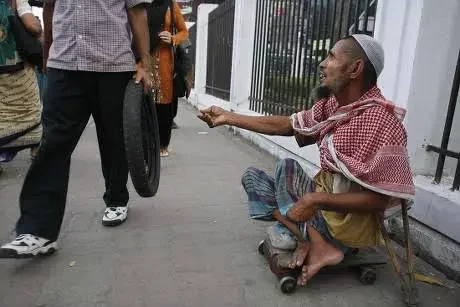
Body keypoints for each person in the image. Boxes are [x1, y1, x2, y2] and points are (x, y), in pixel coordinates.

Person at [198, 34, 415, 286]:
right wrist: (229, 116)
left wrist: (315, 198)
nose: (323, 63)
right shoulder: (334, 106)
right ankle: (311, 239)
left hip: (348, 223)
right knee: (253, 178)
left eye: (332, 56)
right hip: (324, 210)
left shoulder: (381, 121)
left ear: (356, 68)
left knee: (285, 167)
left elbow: (378, 200)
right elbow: (289, 126)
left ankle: (310, 238)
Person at [0, 0, 153, 258]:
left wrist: (144, 62)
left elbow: (137, 11)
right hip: (65, 64)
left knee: (113, 139)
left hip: (112, 65)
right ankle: (38, 230)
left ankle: (116, 199)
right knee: (52, 144)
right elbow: (49, 9)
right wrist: (47, 54)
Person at [0, 0, 43, 173]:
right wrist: (38, 26)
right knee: (28, 109)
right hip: (17, 69)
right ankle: (36, 149)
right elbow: (32, 26)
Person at [147, 0, 188, 157]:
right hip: (141, 58)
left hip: (163, 61)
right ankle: (144, 144)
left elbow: (184, 32)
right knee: (141, 102)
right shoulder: (138, 3)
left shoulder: (170, 4)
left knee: (163, 104)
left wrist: (173, 38)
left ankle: (163, 144)